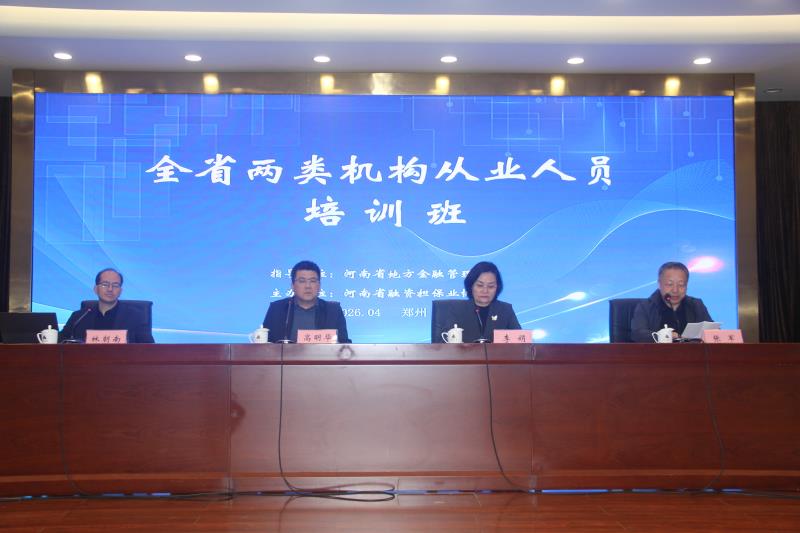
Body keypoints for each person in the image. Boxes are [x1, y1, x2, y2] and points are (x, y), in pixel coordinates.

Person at [262, 260, 351, 343]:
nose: (308, 286)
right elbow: (264, 344)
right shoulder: (277, 309)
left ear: (319, 285)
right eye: (302, 281)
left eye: (313, 281)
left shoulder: (333, 311)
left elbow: (344, 345)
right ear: (293, 286)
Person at [432, 261, 521, 343]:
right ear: (471, 286)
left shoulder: (505, 310)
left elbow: (521, 342)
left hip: (498, 355)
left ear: (497, 288)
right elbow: (442, 344)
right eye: (480, 285)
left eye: (490, 286)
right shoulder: (457, 310)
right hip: (464, 355)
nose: (485, 291)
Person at [59, 268, 154, 343]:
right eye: (105, 284)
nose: (110, 289)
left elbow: (149, 350)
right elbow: (60, 343)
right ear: (96, 289)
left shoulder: (135, 317)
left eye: (115, 285)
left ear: (120, 291)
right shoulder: (79, 317)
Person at [630, 261, 713, 342]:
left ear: (686, 285)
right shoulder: (645, 306)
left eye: (681, 285)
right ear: (659, 284)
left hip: (691, 351)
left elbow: (712, 332)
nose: (675, 290)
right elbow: (637, 334)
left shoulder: (696, 305)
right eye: (669, 284)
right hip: (657, 351)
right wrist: (662, 336)